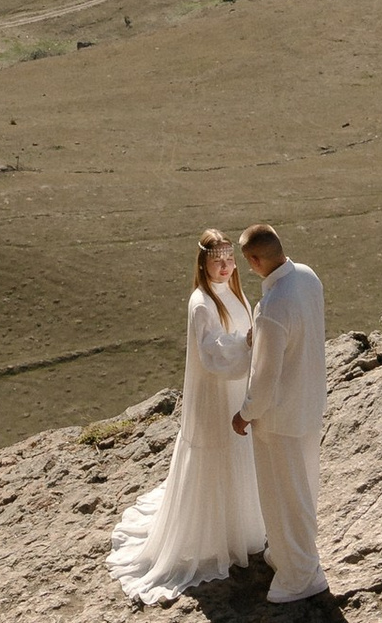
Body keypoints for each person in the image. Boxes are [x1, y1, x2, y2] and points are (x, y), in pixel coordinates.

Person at [106, 229, 268, 601]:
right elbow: (211, 352)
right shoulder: (202, 303)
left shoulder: (234, 292)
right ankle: (213, 535)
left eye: (230, 259)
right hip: (214, 396)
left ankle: (239, 528)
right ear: (203, 263)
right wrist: (245, 344)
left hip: (235, 389)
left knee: (238, 451)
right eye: (218, 260)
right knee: (218, 450)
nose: (226, 266)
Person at [230, 220, 329, 601]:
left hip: (279, 417)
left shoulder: (271, 307)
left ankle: (299, 574)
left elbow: (265, 378)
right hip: (309, 403)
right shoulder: (306, 276)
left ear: (254, 260)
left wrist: (245, 413)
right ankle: (292, 555)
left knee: (281, 496)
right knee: (303, 488)